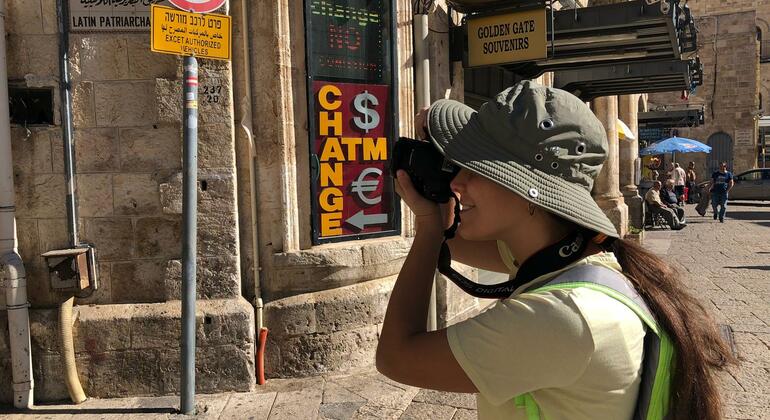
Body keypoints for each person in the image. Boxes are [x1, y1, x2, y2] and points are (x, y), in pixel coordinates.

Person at [377, 81, 733, 420]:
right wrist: (434, 171)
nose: (457, 181)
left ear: (528, 189)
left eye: (477, 167)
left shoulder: (561, 317)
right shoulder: (572, 259)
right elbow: (451, 243)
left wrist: (429, 227)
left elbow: (396, 357)